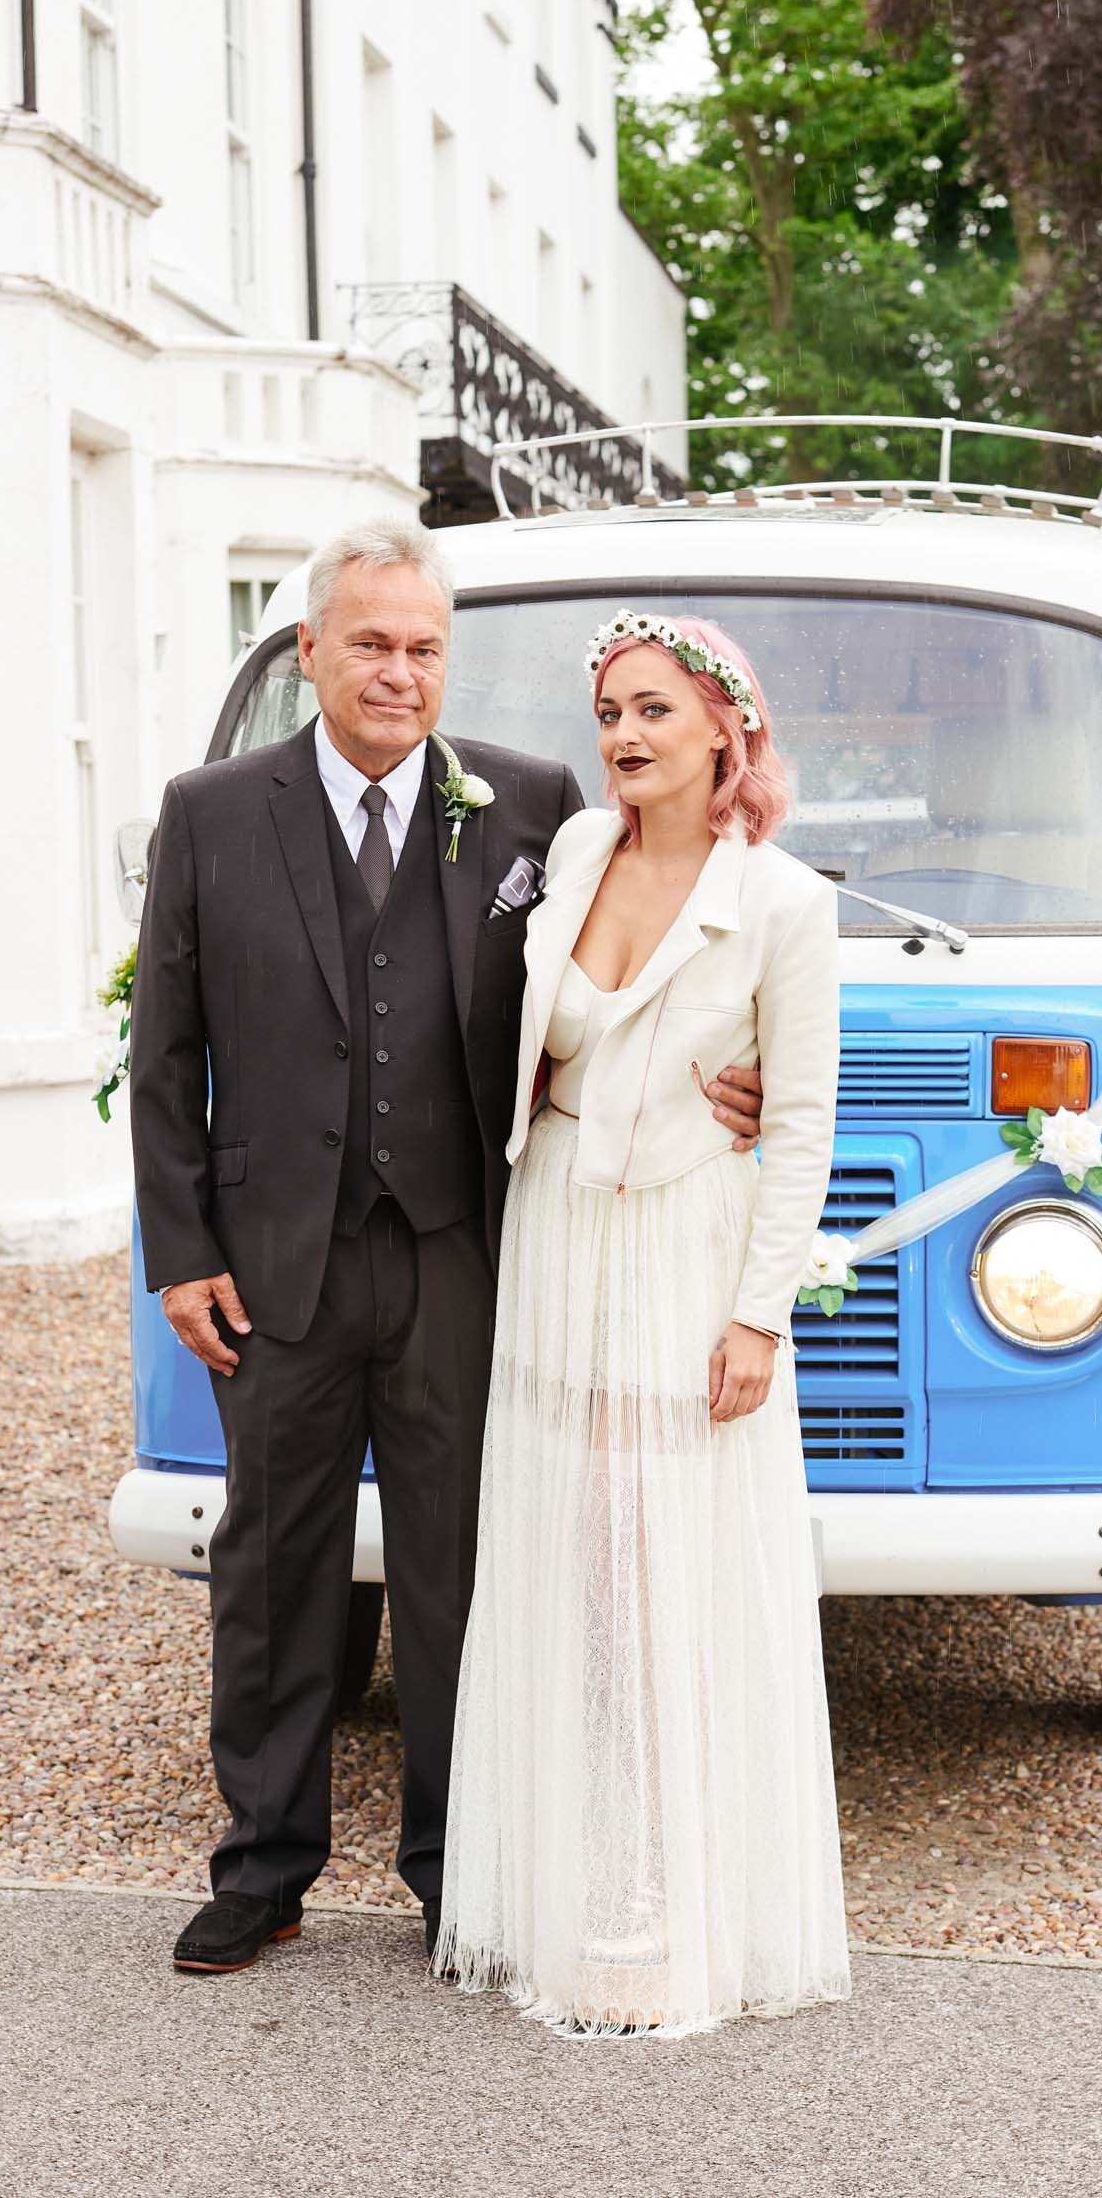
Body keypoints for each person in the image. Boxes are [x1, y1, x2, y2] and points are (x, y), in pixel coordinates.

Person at [128, 521, 766, 1975]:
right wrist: (181, 1250)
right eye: (369, 644)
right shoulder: (213, 811)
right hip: (274, 1259)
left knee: (463, 1574)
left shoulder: (534, 804)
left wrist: (746, 1075)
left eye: (423, 648)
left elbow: (681, 919)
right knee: (273, 1571)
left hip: (466, 1252)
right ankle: (265, 1865)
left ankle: (454, 1872)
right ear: (311, 653)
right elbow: (163, 1052)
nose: (398, 674)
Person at [434, 610, 851, 2035]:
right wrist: (546, 1104)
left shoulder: (785, 904)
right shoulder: (569, 855)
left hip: (688, 1253)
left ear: (726, 731)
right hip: (558, 1236)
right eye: (609, 710)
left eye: (655, 711)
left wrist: (756, 1320)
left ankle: (675, 1911)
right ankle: (582, 1890)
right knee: (579, 1567)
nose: (623, 736)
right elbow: (531, 1037)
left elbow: (796, 1128)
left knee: (670, 1572)